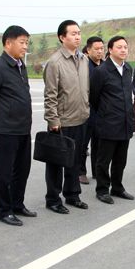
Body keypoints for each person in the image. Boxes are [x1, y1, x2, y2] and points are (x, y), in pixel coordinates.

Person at [0, 25, 37, 226]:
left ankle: (17, 204)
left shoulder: (21, 66)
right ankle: (4, 210)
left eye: (27, 43)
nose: (25, 47)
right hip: (5, 130)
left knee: (22, 170)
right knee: (4, 173)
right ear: (8, 43)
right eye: (22, 42)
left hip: (23, 128)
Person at [43, 20, 90, 214]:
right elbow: (50, 95)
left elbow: (86, 88)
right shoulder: (55, 62)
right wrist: (53, 120)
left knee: (75, 160)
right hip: (61, 122)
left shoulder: (84, 59)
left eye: (79, 33)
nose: (77, 37)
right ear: (62, 37)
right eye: (73, 33)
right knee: (56, 162)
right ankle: (53, 199)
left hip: (81, 118)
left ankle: (72, 194)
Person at [90, 35, 135, 204]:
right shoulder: (101, 71)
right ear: (110, 50)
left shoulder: (128, 68)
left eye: (125, 47)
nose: (123, 50)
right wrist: (106, 112)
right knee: (104, 160)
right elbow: (94, 98)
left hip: (125, 122)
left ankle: (117, 187)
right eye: (119, 47)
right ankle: (102, 190)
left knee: (120, 160)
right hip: (108, 123)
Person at [79, 36, 104, 185]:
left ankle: (96, 171)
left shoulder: (105, 66)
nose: (100, 51)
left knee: (99, 143)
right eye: (96, 49)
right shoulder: (83, 65)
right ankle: (81, 171)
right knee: (83, 142)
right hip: (86, 110)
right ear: (88, 50)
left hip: (101, 110)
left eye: (102, 48)